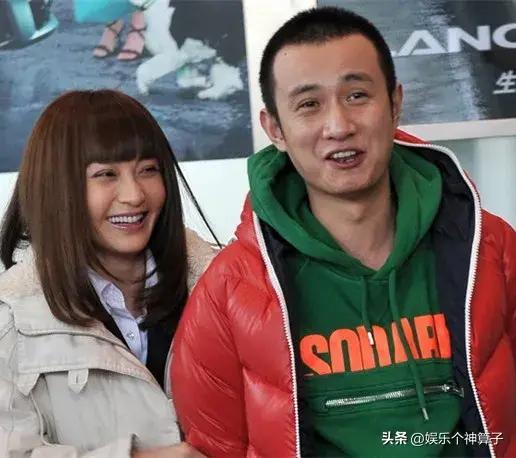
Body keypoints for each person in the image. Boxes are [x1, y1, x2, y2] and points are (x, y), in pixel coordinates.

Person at [170, 6, 516, 458]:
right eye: (308, 105)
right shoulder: (230, 290)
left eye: (357, 95)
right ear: (275, 129)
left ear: (395, 104)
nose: (338, 127)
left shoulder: (492, 252)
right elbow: (214, 449)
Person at [0, 89, 216, 456]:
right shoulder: (11, 319)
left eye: (148, 170)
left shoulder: (222, 287)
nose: (134, 195)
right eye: (106, 174)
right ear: (57, 188)